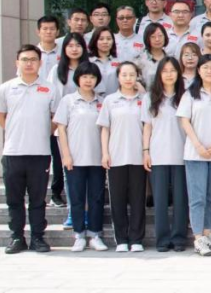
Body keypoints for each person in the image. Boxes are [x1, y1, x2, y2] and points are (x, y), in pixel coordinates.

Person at [0, 45, 58, 254]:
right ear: (17, 63)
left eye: (33, 59)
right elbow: (0, 116)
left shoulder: (50, 88)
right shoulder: (6, 88)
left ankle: (38, 238)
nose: (29, 63)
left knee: (38, 199)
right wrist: (16, 131)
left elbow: (55, 118)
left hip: (40, 153)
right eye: (24, 59)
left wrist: (42, 132)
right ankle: (17, 237)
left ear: (40, 63)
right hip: (13, 152)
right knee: (14, 199)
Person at [177, 54, 211, 256]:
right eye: (205, 67)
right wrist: (198, 145)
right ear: (198, 70)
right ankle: (198, 238)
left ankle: (208, 234)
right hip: (195, 153)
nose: (209, 71)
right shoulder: (190, 94)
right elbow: (184, 121)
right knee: (197, 197)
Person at [53, 62, 108, 252]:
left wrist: (106, 154)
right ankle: (78, 234)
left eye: (92, 77)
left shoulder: (102, 102)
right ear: (77, 78)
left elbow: (106, 129)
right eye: (84, 76)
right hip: (74, 158)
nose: (88, 80)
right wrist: (66, 155)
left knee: (96, 198)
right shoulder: (68, 101)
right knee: (76, 197)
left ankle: (95, 234)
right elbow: (61, 129)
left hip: (97, 158)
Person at [97, 62, 147, 252]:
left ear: (137, 77)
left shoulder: (144, 99)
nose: (128, 78)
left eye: (132, 74)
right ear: (118, 77)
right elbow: (105, 129)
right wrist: (105, 153)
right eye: (124, 75)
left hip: (138, 157)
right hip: (116, 156)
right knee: (117, 200)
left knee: (138, 200)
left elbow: (148, 126)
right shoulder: (110, 100)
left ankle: (136, 239)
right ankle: (121, 239)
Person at [142, 57, 189, 253]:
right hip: (158, 154)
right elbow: (147, 127)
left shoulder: (185, 96)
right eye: (165, 71)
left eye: (173, 70)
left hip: (182, 154)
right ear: (159, 74)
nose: (169, 74)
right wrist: (145, 151)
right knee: (160, 201)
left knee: (180, 200)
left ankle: (179, 238)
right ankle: (162, 239)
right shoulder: (150, 98)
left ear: (178, 73)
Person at [47, 32, 88, 213]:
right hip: (63, 126)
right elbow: (51, 98)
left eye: (78, 45)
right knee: (66, 168)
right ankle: (73, 210)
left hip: (86, 125)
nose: (74, 49)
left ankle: (87, 209)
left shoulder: (90, 69)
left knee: (87, 169)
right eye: (70, 46)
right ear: (64, 49)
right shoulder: (56, 70)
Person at [88, 27, 120, 95]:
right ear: (95, 41)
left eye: (109, 39)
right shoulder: (88, 61)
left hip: (115, 100)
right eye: (101, 39)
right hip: (93, 99)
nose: (105, 42)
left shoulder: (119, 61)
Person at [135, 23, 169, 87]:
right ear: (147, 39)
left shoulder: (171, 59)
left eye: (160, 36)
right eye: (153, 37)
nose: (157, 39)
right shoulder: (139, 61)